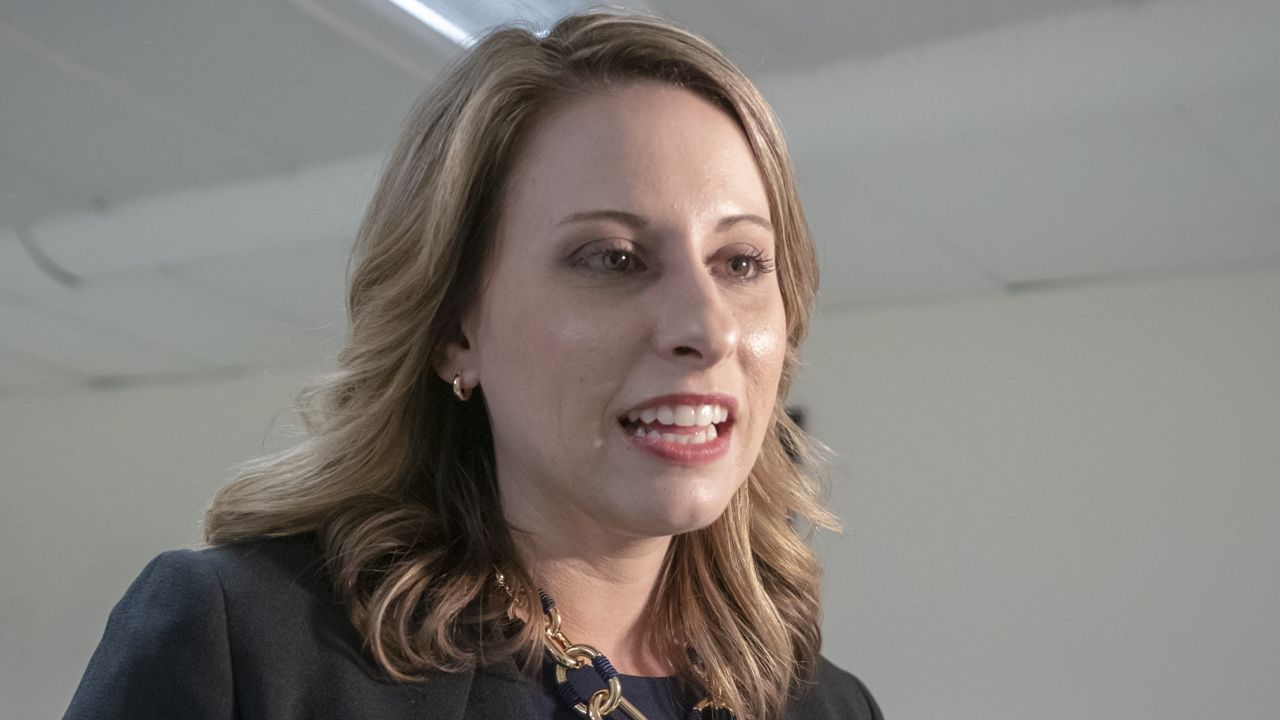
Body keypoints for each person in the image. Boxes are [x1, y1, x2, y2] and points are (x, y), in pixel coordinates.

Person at [64, 10, 882, 720]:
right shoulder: (246, 648)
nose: (704, 327)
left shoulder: (827, 705)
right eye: (612, 259)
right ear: (457, 327)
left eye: (740, 262)